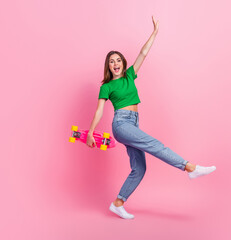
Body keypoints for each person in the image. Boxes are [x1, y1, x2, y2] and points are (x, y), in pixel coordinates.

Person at [86, 16, 216, 219]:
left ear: (123, 63)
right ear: (108, 66)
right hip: (121, 124)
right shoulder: (107, 86)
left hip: (133, 122)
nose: (115, 63)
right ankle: (189, 167)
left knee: (139, 168)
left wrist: (154, 32)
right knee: (156, 145)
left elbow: (143, 53)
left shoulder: (130, 75)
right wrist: (91, 132)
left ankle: (118, 203)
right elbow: (99, 110)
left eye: (118, 60)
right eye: (111, 62)